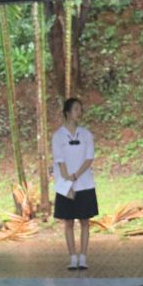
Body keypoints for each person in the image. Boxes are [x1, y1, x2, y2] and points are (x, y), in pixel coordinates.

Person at [52, 98, 98, 271]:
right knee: (69, 222)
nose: (79, 113)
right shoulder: (58, 136)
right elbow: (60, 161)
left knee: (85, 221)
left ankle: (83, 257)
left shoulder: (86, 135)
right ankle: (72, 257)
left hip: (85, 183)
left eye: (80, 109)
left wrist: (76, 176)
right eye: (76, 109)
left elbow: (89, 158)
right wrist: (68, 183)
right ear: (67, 112)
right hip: (66, 184)